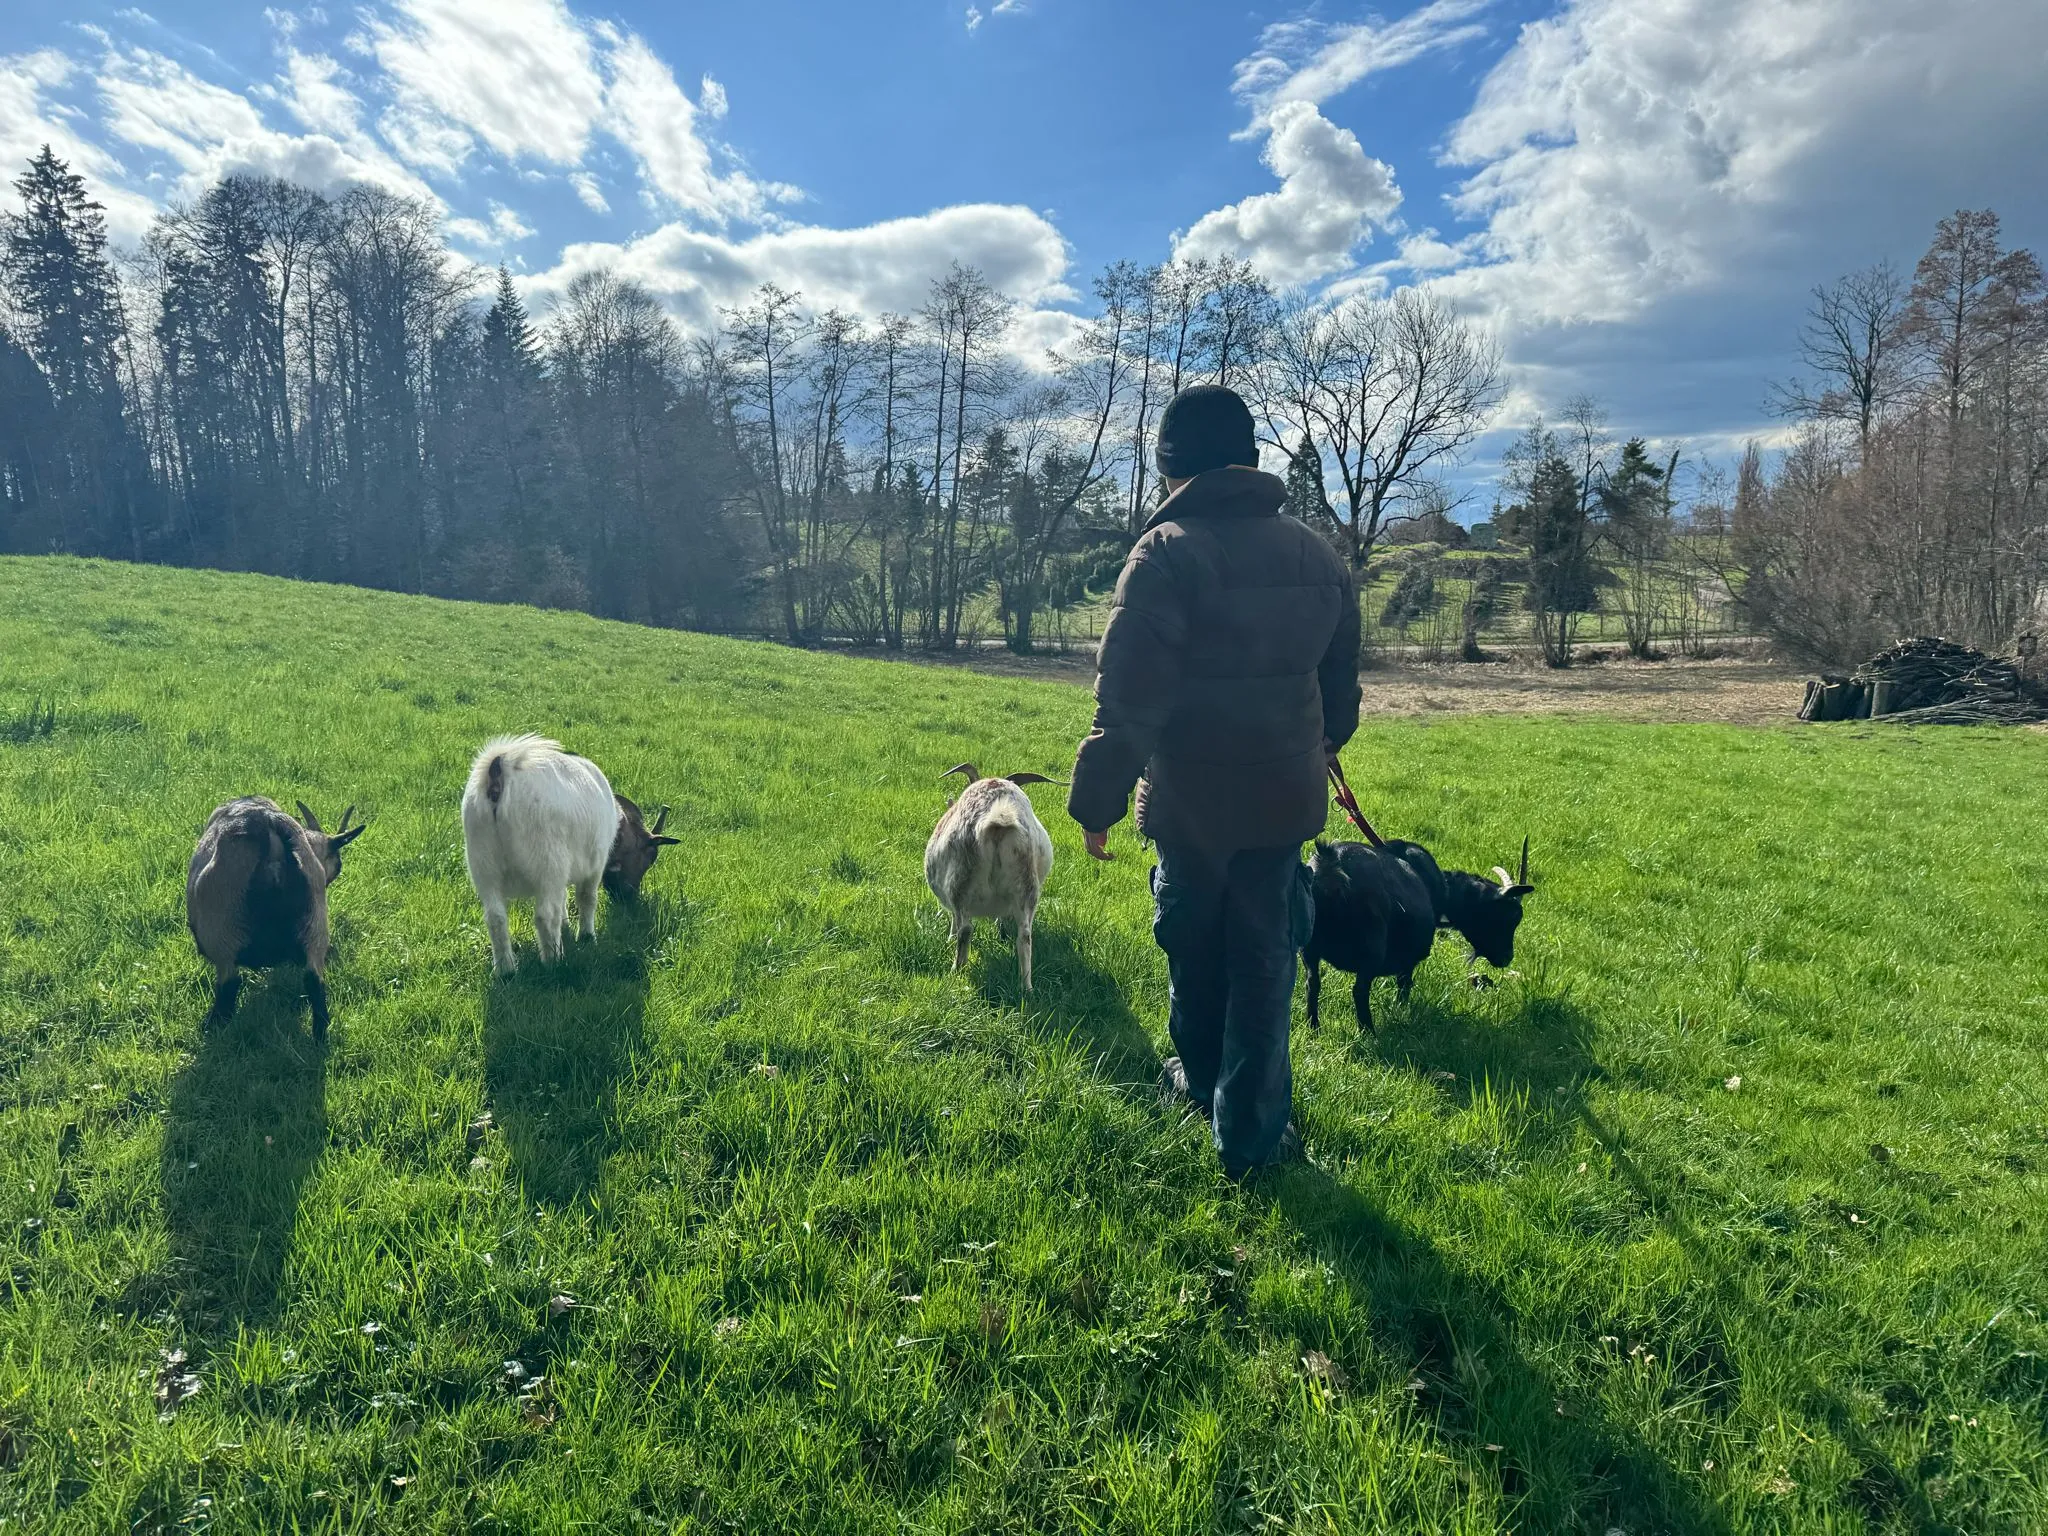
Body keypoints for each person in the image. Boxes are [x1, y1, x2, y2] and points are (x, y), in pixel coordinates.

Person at [1068, 384, 1360, 1180]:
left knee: (1192, 948)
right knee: (1265, 963)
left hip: (1191, 808)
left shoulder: (1163, 555)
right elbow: (1342, 696)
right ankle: (1255, 1136)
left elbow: (1128, 704)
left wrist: (1095, 803)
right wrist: (1319, 747)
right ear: (1251, 459)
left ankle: (1199, 1086)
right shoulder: (1317, 553)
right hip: (1282, 806)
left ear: (1172, 465)